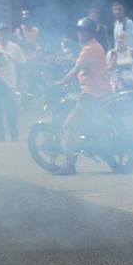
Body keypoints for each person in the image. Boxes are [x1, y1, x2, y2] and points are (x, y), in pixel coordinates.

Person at [53, 17, 113, 175]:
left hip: (91, 93)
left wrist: (61, 82)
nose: (79, 34)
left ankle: (69, 165)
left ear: (90, 33)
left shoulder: (88, 49)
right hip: (103, 91)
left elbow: (76, 68)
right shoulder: (96, 46)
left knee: (69, 126)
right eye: (79, 31)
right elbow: (83, 64)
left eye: (82, 31)